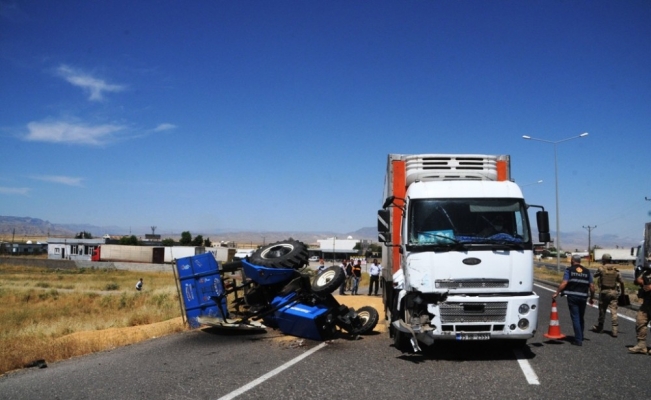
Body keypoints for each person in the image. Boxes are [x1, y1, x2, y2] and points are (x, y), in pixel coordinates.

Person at [552, 254, 595, 346]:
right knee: (581, 317)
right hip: (583, 297)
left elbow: (564, 283)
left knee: (575, 317)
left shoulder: (569, 270)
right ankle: (581, 336)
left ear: (572, 261)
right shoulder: (587, 271)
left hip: (573, 297)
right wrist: (591, 298)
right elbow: (592, 286)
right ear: (580, 261)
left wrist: (557, 292)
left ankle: (578, 340)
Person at [591, 253, 626, 337]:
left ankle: (600, 327)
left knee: (602, 310)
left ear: (604, 260)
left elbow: (594, 276)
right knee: (614, 311)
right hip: (614, 292)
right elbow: (622, 282)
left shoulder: (601, 269)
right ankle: (615, 330)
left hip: (604, 292)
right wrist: (623, 293)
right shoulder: (615, 270)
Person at [629, 264, 651, 354]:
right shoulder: (646, 273)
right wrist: (639, 281)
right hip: (647, 302)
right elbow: (636, 281)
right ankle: (641, 345)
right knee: (640, 321)